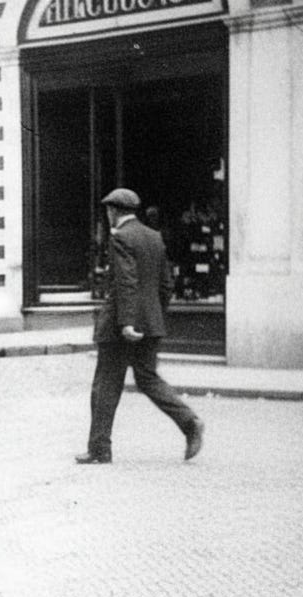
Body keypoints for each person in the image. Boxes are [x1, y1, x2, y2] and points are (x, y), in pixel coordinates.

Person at [76, 188, 205, 464]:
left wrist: (127, 322)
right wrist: (153, 316)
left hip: (122, 325)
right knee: (148, 378)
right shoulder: (154, 237)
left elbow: (126, 280)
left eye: (108, 211)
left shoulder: (120, 237)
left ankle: (99, 448)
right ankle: (189, 421)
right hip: (150, 322)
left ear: (113, 211)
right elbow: (166, 285)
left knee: (106, 384)